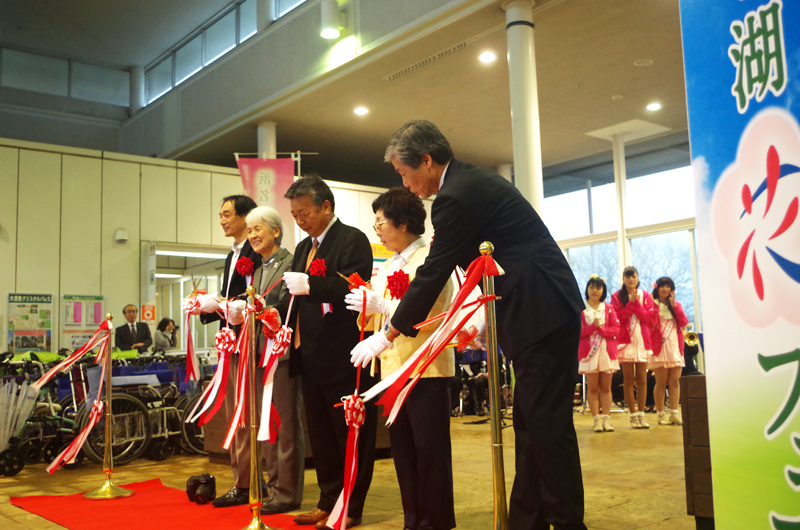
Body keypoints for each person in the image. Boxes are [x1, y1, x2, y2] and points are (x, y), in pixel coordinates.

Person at [351, 120, 588, 530]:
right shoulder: (467, 183)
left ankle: (568, 523)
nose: (406, 184)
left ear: (426, 160)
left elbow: (435, 271)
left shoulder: (455, 196)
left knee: (547, 428)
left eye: (405, 173)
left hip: (540, 309)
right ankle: (526, 521)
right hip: (534, 310)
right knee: (531, 425)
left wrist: (388, 333)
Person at [345, 187, 456, 530]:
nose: (376, 229)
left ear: (404, 223)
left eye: (380, 222)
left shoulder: (428, 260)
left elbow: (435, 311)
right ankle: (413, 519)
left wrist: (386, 307)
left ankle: (435, 521)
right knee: (404, 451)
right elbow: (379, 321)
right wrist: (368, 307)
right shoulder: (387, 265)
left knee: (430, 451)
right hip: (392, 369)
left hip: (426, 367)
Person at [281, 175, 376, 529]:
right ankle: (328, 500)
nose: (299, 220)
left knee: (349, 433)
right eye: (294, 214)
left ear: (326, 206)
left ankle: (350, 506)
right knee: (320, 434)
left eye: (304, 212)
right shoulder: (305, 247)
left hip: (343, 355)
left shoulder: (352, 239)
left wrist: (312, 284)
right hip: (310, 356)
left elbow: (355, 287)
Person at [197, 194, 265, 509]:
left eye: (227, 214)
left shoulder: (256, 251)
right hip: (230, 341)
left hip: (250, 341)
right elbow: (229, 296)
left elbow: (252, 296)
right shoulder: (232, 255)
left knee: (245, 414)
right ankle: (242, 480)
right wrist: (205, 306)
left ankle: (250, 482)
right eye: (220, 214)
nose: (222, 220)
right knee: (234, 414)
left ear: (245, 216)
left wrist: (222, 304)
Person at [610, 266, 657, 429]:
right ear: (623, 279)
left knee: (643, 379)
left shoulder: (645, 296)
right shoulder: (616, 296)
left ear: (638, 278)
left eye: (634, 276)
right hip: (625, 341)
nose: (631, 279)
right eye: (628, 276)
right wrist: (630, 304)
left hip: (643, 341)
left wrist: (637, 304)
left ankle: (642, 414)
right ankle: (632, 415)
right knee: (628, 379)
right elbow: (618, 318)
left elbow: (648, 319)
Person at [578, 276, 620, 433]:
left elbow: (616, 329)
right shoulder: (581, 308)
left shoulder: (608, 308)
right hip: (588, 353)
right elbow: (576, 331)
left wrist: (601, 330)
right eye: (592, 287)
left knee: (606, 387)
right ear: (587, 289)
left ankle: (606, 419)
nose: (595, 291)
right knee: (593, 387)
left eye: (598, 288)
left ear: (603, 290)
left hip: (606, 352)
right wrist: (592, 328)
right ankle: (596, 419)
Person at [649, 277, 688, 426]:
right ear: (657, 288)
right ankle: (660, 415)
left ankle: (674, 414)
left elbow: (684, 322)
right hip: (660, 347)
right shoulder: (653, 305)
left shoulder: (676, 305)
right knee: (660, 382)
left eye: (668, 287)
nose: (665, 289)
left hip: (675, 346)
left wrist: (674, 305)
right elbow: (650, 324)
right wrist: (653, 308)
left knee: (675, 382)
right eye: (662, 286)